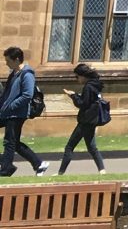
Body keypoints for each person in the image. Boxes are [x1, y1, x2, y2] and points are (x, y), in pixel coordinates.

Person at [0, 46, 48, 177]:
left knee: (10, 141)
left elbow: (27, 95)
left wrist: (12, 106)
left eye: (8, 60)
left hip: (17, 113)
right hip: (8, 112)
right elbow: (7, 94)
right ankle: (38, 164)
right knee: (13, 142)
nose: (6, 63)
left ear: (16, 60)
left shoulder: (27, 74)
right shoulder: (14, 74)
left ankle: (6, 168)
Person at [59, 62, 108, 174]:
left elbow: (82, 103)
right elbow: (89, 101)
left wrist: (73, 95)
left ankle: (60, 173)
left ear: (83, 76)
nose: (77, 79)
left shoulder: (88, 87)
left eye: (77, 77)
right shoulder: (95, 85)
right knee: (91, 147)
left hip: (85, 120)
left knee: (69, 146)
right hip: (92, 120)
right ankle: (102, 170)